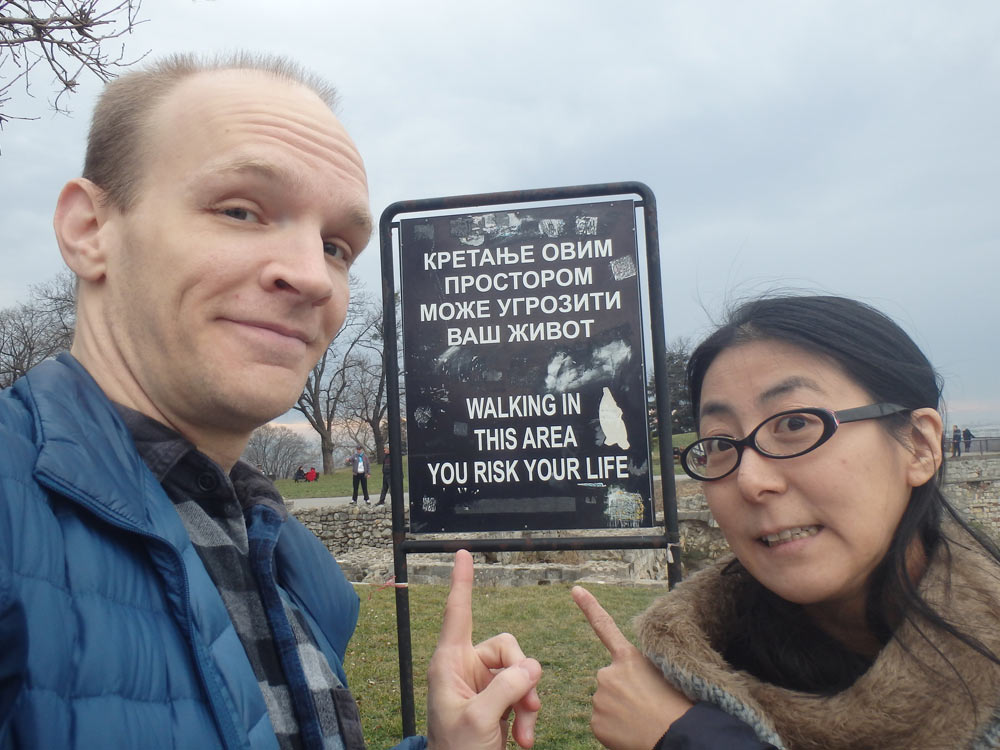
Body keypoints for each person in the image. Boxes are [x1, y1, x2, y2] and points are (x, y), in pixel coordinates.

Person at [0, 53, 541, 750]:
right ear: (89, 230)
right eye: (241, 210)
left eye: (337, 246)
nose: (314, 276)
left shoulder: (292, 562)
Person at [573, 295, 1000, 749]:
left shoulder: (668, 721)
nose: (750, 481)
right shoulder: (679, 681)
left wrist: (692, 739)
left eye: (795, 423)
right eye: (719, 443)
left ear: (919, 445)